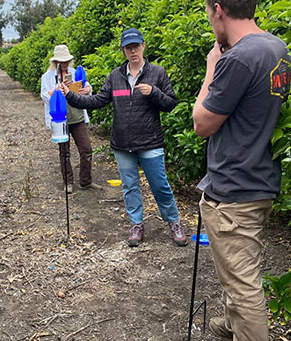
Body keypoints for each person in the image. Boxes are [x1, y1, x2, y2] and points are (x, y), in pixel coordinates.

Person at [190, 0, 290, 341]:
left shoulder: (236, 59)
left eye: (208, 13)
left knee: (242, 276)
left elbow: (202, 123)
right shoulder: (275, 48)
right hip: (258, 175)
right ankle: (237, 325)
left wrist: (212, 66)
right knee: (237, 267)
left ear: (218, 9)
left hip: (235, 185)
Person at [63, 28, 187, 247]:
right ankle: (136, 224)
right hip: (122, 143)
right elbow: (98, 101)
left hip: (150, 142)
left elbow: (170, 104)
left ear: (143, 46)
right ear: (123, 50)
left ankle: (174, 222)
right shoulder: (115, 76)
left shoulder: (157, 73)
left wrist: (154, 92)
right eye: (128, 48)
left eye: (136, 46)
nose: (133, 51)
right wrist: (70, 96)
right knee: (130, 186)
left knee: (160, 185)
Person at [40, 45, 93, 193]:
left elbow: (87, 86)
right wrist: (58, 89)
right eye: (61, 62)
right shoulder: (47, 77)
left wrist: (86, 90)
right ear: (55, 62)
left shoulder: (74, 72)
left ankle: (86, 181)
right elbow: (44, 96)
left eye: (66, 61)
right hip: (60, 119)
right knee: (64, 152)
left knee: (86, 149)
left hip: (77, 116)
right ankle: (68, 182)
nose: (64, 64)